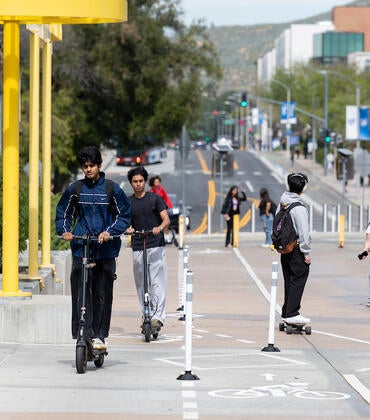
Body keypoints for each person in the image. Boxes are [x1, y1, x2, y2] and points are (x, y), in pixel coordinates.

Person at [55, 146, 131, 351]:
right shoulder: (75, 189)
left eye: (92, 166)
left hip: (105, 250)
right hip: (82, 247)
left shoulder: (111, 189)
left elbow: (124, 214)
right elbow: (64, 212)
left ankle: (99, 336)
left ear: (99, 166)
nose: (88, 169)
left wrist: (109, 232)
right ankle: (82, 333)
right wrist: (65, 231)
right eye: (85, 166)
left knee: (102, 293)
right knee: (81, 292)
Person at [126, 166, 170, 334]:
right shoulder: (128, 202)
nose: (138, 184)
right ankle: (146, 314)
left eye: (141, 181)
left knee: (157, 281)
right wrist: (128, 228)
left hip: (155, 244)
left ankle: (157, 317)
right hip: (138, 245)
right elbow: (125, 222)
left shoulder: (155, 199)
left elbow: (165, 219)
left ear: (145, 181)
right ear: (131, 183)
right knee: (141, 282)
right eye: (135, 182)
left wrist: (159, 227)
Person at [278, 173, 311, 325]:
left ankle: (286, 311)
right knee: (299, 277)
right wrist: (306, 252)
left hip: (285, 248)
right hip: (297, 249)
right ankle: (292, 313)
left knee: (289, 279)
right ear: (303, 188)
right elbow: (304, 233)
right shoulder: (299, 208)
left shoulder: (283, 202)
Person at [149, 175, 173, 243]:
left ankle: (166, 236)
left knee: (165, 223)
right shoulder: (151, 191)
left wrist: (169, 206)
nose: (157, 183)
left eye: (158, 182)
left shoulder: (162, 190)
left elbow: (166, 198)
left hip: (162, 209)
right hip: (154, 210)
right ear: (153, 183)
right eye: (156, 182)